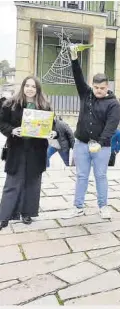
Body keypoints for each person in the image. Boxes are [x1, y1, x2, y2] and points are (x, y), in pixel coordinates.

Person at [63, 46, 120, 220]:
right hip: (81, 143)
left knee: (101, 176)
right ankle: (78, 206)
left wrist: (100, 142)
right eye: (96, 87)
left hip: (101, 147)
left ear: (107, 86)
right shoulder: (86, 94)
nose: (98, 91)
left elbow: (111, 126)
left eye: (101, 88)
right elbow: (78, 77)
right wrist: (74, 58)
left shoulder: (113, 104)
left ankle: (103, 206)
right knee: (81, 176)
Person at [0, 77, 58, 228]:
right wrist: (12, 130)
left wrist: (53, 133)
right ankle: (4, 216)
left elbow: (54, 125)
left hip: (36, 150)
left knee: (32, 183)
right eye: (27, 85)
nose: (30, 89)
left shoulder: (45, 106)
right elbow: (2, 122)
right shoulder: (11, 104)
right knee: (12, 183)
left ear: (38, 89)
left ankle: (27, 214)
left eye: (33, 86)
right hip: (17, 149)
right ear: (23, 87)